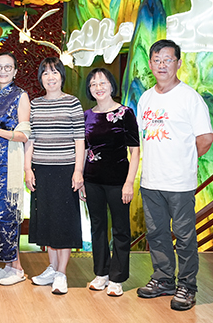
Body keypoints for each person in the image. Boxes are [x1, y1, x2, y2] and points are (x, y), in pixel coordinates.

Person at [136, 39, 213, 311]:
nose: (162, 65)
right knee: (156, 234)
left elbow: (205, 138)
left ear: (178, 63)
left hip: (179, 183)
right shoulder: (146, 98)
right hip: (151, 180)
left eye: (167, 60)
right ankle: (163, 279)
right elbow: (140, 137)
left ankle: (187, 286)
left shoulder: (189, 97)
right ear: (150, 64)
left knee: (184, 236)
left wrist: (184, 160)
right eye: (157, 60)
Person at [25, 56, 85, 295]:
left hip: (65, 170)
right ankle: (51, 267)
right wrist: (28, 169)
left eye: (54, 72)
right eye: (45, 73)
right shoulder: (35, 104)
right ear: (41, 78)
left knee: (64, 222)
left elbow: (79, 139)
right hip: (41, 170)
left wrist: (78, 171)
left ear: (62, 76)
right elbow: (30, 139)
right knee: (47, 221)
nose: (50, 77)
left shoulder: (72, 103)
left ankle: (61, 272)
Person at [83, 68, 140, 297]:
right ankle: (101, 273)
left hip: (118, 181)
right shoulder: (87, 115)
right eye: (93, 84)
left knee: (120, 229)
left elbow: (135, 151)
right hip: (92, 180)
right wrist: (81, 179)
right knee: (97, 227)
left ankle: (117, 278)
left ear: (111, 85)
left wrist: (129, 182)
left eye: (102, 83)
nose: (98, 87)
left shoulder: (125, 113)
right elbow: (84, 149)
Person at [0, 52, 31, 286]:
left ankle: (18, 268)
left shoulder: (21, 96)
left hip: (9, 164)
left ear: (15, 71)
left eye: (7, 67)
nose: (3, 71)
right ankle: (8, 264)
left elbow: (25, 134)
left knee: (8, 215)